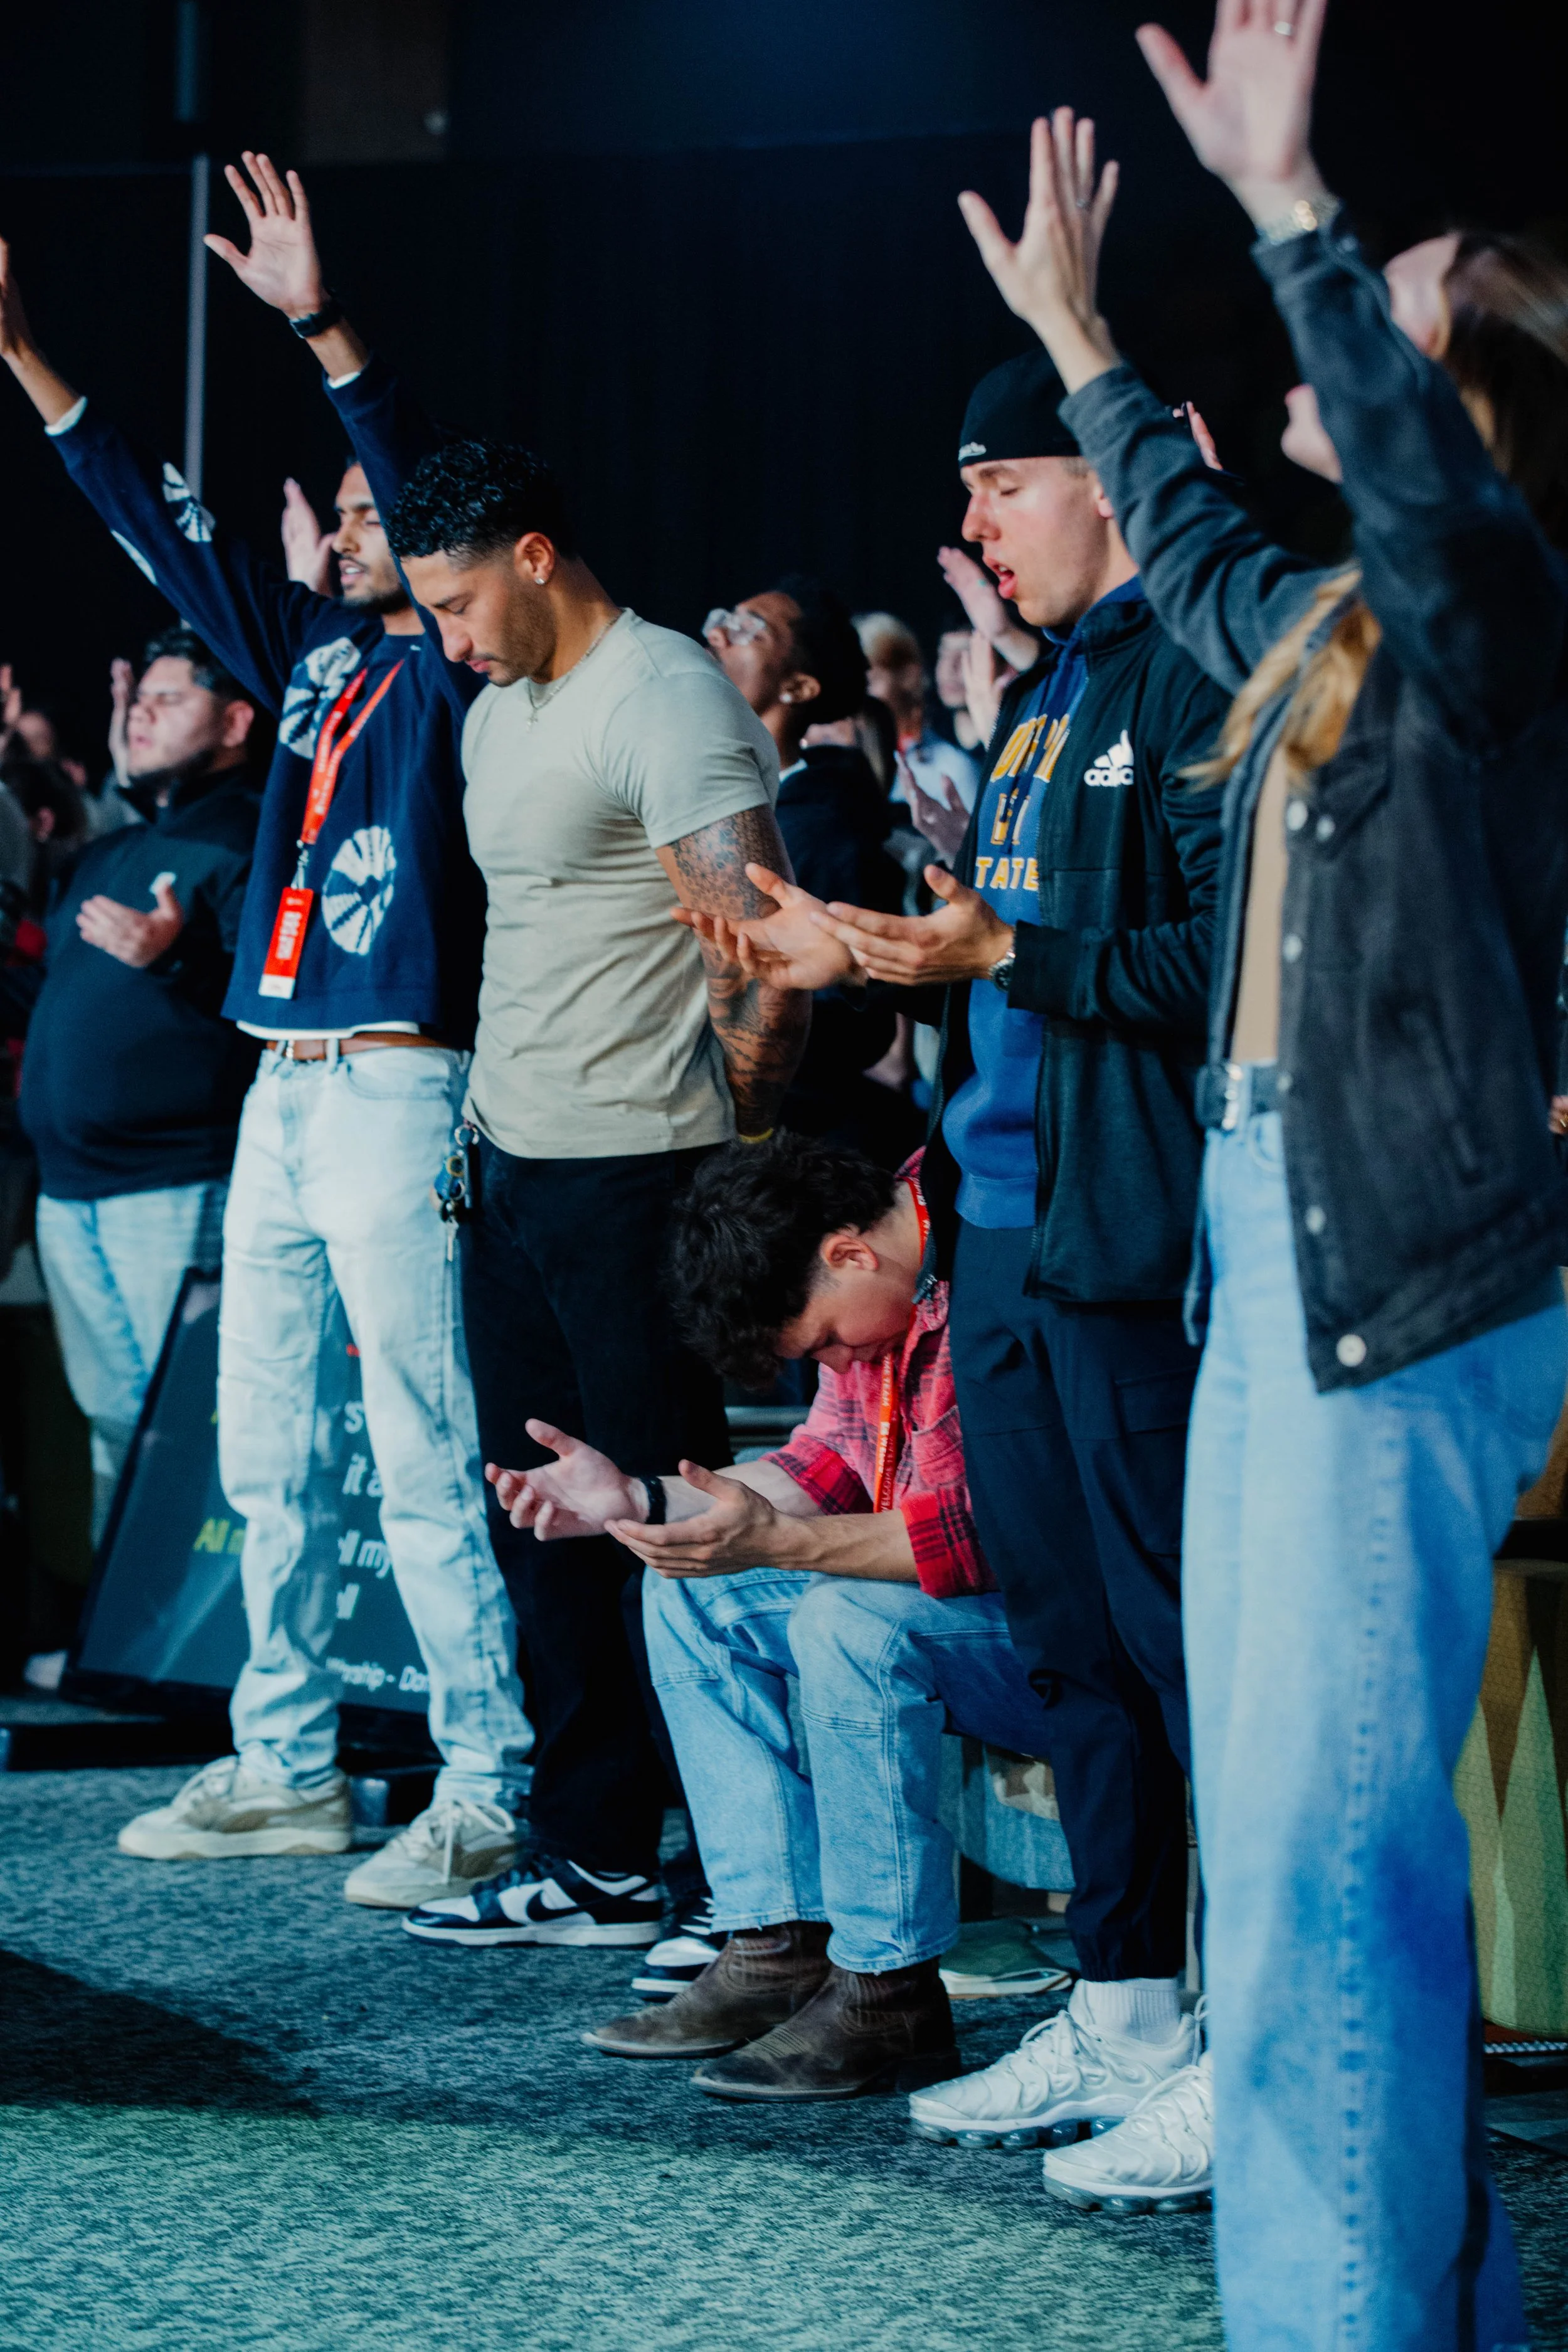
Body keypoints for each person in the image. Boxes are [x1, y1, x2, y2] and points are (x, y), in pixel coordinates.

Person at [957, 11, 1568, 2334]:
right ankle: (1441, 2295)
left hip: (1388, 1270)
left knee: (1317, 1869)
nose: (1343, 324)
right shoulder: (1346, 629)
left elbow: (1417, 507)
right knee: (1323, 1852)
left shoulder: (1497, 603)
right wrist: (1082, 345)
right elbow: (1196, 543)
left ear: (1461, 379)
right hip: (1267, 1234)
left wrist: (1297, 215)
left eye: (1397, 297)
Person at [194, 152, 810, 1941]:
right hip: (508, 1161)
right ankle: (600, 1844)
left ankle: (736, 1872)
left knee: (667, 1519)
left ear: (534, 562)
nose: (437, 632)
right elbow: (411, 532)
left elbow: (767, 955)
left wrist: (727, 1139)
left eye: (459, 602)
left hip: (639, 1167)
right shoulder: (510, 692)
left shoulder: (667, 689)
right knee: (546, 1516)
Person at [703, 300, 1232, 2175]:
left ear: (1123, 465)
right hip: (993, 1229)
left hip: (1127, 1237)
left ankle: (1242, 2045)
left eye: (1006, 481)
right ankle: (1122, 2008)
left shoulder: (1192, 671)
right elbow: (982, 971)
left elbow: (1216, 965)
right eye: (969, 491)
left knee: (1178, 1656)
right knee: (1077, 1648)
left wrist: (1002, 950)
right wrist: (851, 952)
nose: (982, 521)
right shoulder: (1042, 699)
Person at [0, 216, 534, 1910]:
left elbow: (416, 470)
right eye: (355, 521)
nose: (362, 526)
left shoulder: (457, 676)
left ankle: (487, 1778)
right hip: (283, 1086)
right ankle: (289, 1758)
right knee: (256, 1449)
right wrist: (26, 356)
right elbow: (156, 525)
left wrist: (325, 328)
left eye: (385, 521)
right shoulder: (306, 658)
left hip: (397, 1082)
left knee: (419, 1440)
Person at [423, 1136, 1188, 2111]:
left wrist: (783, 1542)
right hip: (969, 1604)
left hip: (1072, 1629)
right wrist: (639, 1499)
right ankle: (775, 1941)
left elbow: (991, 1535)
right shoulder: (881, 1276)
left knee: (847, 1623)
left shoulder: (990, 1263)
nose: (834, 1358)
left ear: (850, 1253)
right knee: (690, 1588)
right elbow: (822, 1464)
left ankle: (887, 1988)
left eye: (826, 1341)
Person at [16, 628, 261, 1541]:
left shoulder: (251, 837)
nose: (142, 712)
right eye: (137, 698)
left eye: (169, 699)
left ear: (236, 720)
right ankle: (121, 1650)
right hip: (70, 1186)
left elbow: (278, 1007)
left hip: (172, 1181)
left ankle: (193, 1655)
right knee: (116, 1419)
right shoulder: (114, 849)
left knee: (187, 1423)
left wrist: (181, 959)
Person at [704, 580, 919, 1167]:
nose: (716, 633)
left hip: (768, 1145)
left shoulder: (828, 833)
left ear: (798, 687)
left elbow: (861, 1025)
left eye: (750, 630)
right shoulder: (686, 792)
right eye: (723, 615)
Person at [856, 611, 980, 844]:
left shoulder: (952, 769)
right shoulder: (841, 763)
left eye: (869, 682)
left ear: (909, 676)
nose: (857, 697)